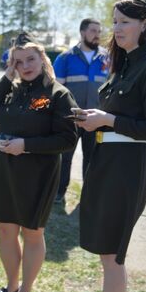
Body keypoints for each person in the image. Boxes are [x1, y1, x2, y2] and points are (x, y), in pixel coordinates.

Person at [74, 0, 146, 292]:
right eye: (114, 21)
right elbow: (115, 114)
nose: (116, 29)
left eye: (125, 22)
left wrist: (109, 119)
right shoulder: (124, 65)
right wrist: (94, 118)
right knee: (108, 256)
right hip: (105, 161)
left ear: (144, 24)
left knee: (112, 257)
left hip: (128, 168)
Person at [0, 32, 78, 292]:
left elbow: (68, 140)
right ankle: (11, 287)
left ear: (42, 58)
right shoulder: (12, 89)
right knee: (6, 230)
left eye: (30, 59)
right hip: (6, 170)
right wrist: (5, 78)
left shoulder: (58, 94)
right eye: (18, 62)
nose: (26, 66)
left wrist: (27, 146)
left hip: (39, 174)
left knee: (32, 234)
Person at [52, 18, 109, 204]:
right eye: (93, 30)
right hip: (72, 117)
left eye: (99, 31)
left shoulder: (107, 58)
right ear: (82, 32)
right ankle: (59, 193)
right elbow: (56, 90)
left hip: (96, 117)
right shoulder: (65, 58)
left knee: (92, 158)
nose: (97, 35)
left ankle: (89, 195)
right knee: (65, 156)